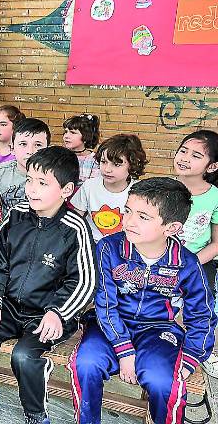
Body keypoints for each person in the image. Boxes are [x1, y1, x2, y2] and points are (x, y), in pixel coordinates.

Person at [0, 146, 97, 424]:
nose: (32, 189)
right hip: (8, 306)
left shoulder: (75, 228)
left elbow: (84, 280)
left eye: (43, 183)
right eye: (30, 180)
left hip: (49, 314)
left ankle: (35, 414)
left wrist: (58, 312)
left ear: (67, 189)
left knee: (23, 356)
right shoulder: (16, 216)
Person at [70, 177, 216, 424]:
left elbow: (202, 314)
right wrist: (124, 349)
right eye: (128, 211)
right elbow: (105, 303)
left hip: (159, 329)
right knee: (85, 363)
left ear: (171, 228)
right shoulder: (109, 248)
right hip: (110, 326)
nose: (129, 221)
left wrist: (191, 356)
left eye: (143, 217)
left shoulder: (187, 263)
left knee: (163, 381)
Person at [171, 130, 218, 377]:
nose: (185, 158)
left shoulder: (215, 197)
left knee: (201, 308)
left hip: (198, 261)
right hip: (159, 259)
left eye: (196, 155)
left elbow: (216, 243)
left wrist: (189, 264)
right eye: (183, 151)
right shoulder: (164, 189)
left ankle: (202, 351)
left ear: (212, 166)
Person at [71, 134, 147, 242]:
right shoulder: (89, 186)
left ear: (132, 165)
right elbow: (75, 219)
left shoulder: (140, 191)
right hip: (91, 244)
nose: (107, 169)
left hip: (123, 246)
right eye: (103, 162)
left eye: (116, 164)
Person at [0, 118, 50, 218]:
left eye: (38, 145)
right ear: (12, 148)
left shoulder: (53, 175)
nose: (30, 151)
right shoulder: (0, 171)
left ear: (47, 149)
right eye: (23, 144)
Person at [63, 114, 101, 186]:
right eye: (65, 132)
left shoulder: (95, 160)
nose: (66, 136)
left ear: (86, 136)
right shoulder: (60, 157)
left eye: (73, 132)